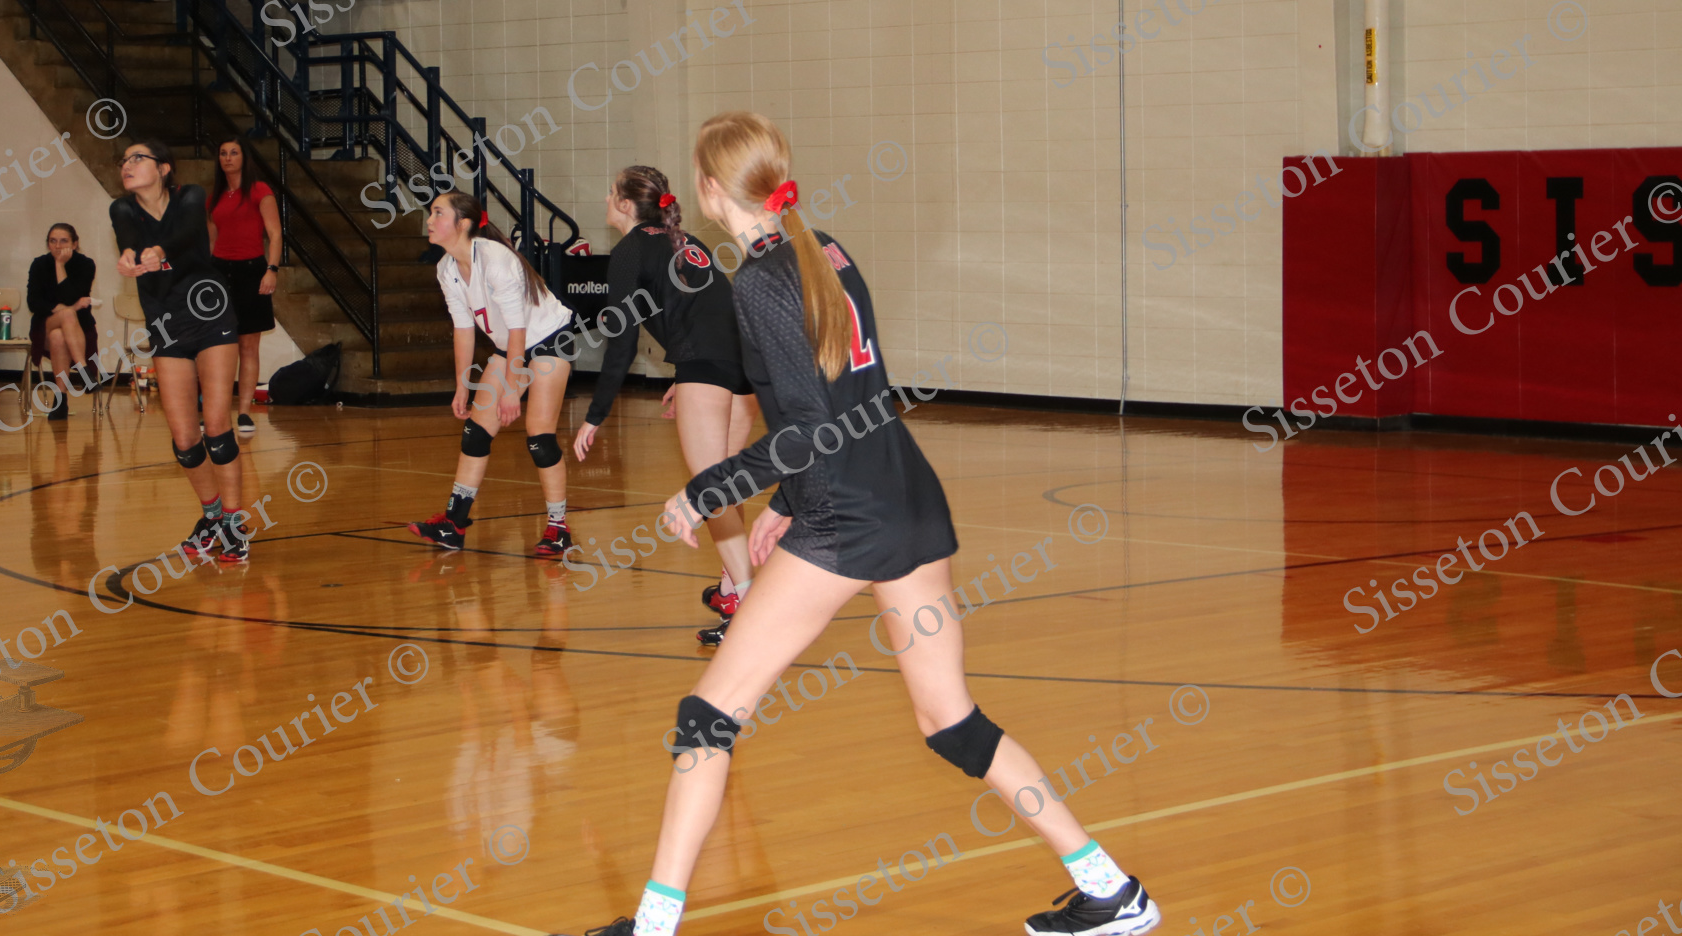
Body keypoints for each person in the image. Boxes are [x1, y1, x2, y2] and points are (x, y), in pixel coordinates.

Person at [554, 113, 1161, 936]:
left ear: (708, 189)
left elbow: (808, 428)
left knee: (707, 719)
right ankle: (1111, 890)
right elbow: (844, 401)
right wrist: (782, 505)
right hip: (903, 495)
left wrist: (709, 490)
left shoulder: (761, 282)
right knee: (951, 723)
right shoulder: (825, 249)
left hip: (847, 518)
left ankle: (654, 927)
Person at [571, 165, 760, 647]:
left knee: (711, 488)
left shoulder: (628, 251)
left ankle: (749, 608)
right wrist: (686, 376)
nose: (606, 199)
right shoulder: (684, 239)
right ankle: (731, 588)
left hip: (708, 363)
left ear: (624, 204)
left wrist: (595, 415)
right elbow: (710, 306)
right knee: (725, 486)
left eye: (610, 192)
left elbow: (621, 343)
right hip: (745, 361)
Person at [408, 191, 581, 557]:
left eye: (438, 213)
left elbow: (519, 330)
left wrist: (512, 389)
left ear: (463, 223)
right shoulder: (446, 268)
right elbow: (463, 330)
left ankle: (559, 528)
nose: (430, 220)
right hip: (511, 346)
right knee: (476, 431)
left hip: (549, 339)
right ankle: (454, 524)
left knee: (539, 436)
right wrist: (462, 386)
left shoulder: (496, 260)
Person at [109, 139, 251, 565]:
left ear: (164, 168)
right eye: (124, 160)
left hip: (209, 314)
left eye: (138, 158)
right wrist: (129, 256)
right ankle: (212, 517)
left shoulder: (190, 195)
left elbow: (188, 231)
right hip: (166, 324)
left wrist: (159, 252)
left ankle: (234, 522)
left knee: (217, 429)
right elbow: (128, 237)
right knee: (186, 440)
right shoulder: (121, 208)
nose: (128, 165)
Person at [207, 137, 281, 438]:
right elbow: (211, 238)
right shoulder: (214, 196)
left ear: (244, 158)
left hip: (251, 271)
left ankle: (244, 412)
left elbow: (275, 234)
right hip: (218, 272)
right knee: (218, 346)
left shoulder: (260, 190)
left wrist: (271, 270)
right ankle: (216, 413)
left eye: (234, 153)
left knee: (248, 346)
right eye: (223, 153)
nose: (228, 158)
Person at [26, 223, 97, 422]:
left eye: (64, 241)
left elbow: (69, 295)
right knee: (66, 315)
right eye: (53, 241)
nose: (58, 246)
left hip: (78, 328)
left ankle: (60, 402)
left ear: (74, 244)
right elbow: (33, 303)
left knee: (58, 336)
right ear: (48, 244)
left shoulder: (86, 264)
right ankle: (84, 371)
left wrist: (60, 266)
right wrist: (70, 307)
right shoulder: (39, 264)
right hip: (44, 325)